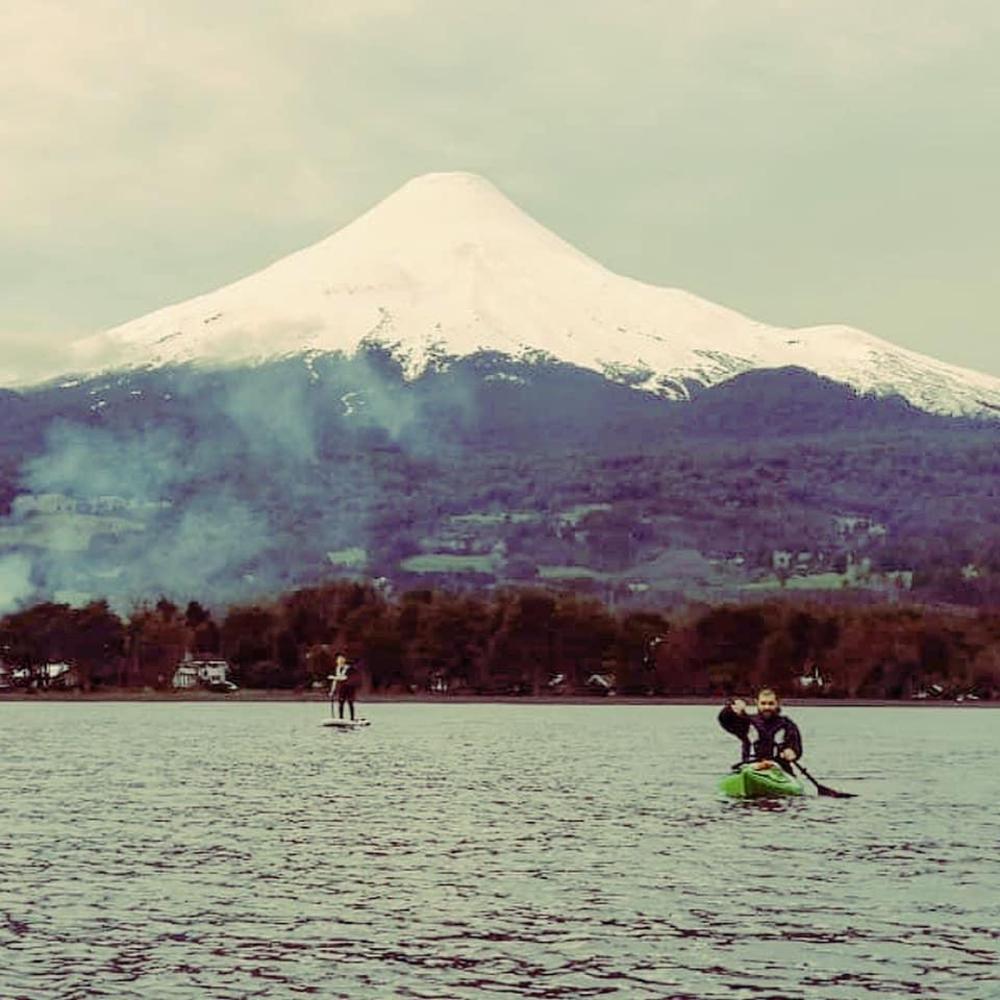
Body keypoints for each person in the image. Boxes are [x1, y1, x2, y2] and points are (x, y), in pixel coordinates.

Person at [718, 687, 802, 774]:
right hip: (751, 767)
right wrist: (731, 709)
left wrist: (792, 752)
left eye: (771, 704)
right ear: (756, 703)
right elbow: (725, 720)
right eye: (763, 703)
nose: (767, 707)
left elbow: (795, 746)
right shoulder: (747, 722)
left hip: (778, 769)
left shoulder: (787, 725)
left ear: (777, 703)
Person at [328, 652, 360, 721]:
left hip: (350, 687)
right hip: (342, 687)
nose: (340, 661)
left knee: (350, 702)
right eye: (338, 659)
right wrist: (332, 691)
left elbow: (344, 678)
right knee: (341, 702)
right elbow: (335, 681)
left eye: (341, 659)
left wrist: (334, 677)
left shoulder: (349, 668)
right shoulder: (337, 669)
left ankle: (352, 718)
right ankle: (341, 717)